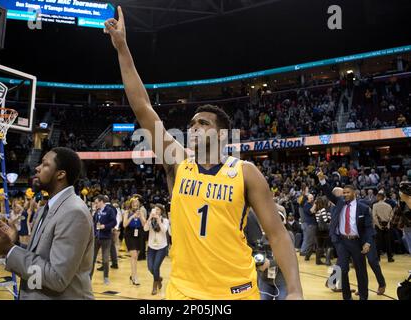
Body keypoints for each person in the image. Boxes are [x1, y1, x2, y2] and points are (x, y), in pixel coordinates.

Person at [105, 7, 303, 300]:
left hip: (236, 291)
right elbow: (142, 107)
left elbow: (276, 234)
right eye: (192, 124)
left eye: (203, 123)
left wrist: (296, 291)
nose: (194, 128)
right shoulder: (178, 161)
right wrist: (122, 48)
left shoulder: (246, 172)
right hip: (184, 292)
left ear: (222, 134)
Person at [0, 147, 95, 300]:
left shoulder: (73, 211)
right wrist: (14, 242)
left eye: (45, 164)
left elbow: (56, 278)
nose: (37, 168)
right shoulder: (46, 208)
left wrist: (9, 250)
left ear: (61, 174)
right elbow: (39, 258)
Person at [318, 170, 375, 300]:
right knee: (342, 270)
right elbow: (327, 192)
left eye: (348, 192)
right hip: (342, 241)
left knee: (361, 271)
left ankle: (363, 296)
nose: (345, 195)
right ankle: (346, 297)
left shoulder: (363, 207)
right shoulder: (339, 203)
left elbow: (368, 227)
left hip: (357, 242)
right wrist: (322, 179)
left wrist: (368, 242)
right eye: (343, 193)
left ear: (354, 193)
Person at [143, 204, 169, 295]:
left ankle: (155, 286)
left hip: (161, 248)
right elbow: (145, 229)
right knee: (150, 268)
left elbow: (164, 230)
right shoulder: (151, 220)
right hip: (151, 247)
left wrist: (159, 220)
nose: (156, 211)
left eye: (158, 210)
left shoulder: (164, 220)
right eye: (155, 209)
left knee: (155, 267)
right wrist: (149, 218)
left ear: (161, 211)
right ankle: (159, 278)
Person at [90, 195, 117, 285]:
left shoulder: (109, 210)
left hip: (106, 238)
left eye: (97, 202)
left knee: (105, 259)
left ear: (102, 202)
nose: (95, 204)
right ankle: (89, 278)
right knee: (92, 259)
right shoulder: (96, 211)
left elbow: (114, 222)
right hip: (97, 237)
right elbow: (94, 222)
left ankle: (106, 277)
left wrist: (105, 226)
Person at [123, 197, 146, 285]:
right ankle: (134, 277)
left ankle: (132, 273)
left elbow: (144, 225)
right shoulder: (127, 212)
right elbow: (125, 224)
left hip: (139, 233)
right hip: (129, 234)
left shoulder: (141, 212)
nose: (136, 204)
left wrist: (140, 216)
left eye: (137, 203)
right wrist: (132, 216)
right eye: (134, 203)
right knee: (134, 255)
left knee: (136, 257)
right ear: (131, 204)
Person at [372, 193, 394, 262]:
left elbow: (374, 216)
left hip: (379, 225)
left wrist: (378, 225)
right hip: (387, 225)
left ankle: (377, 258)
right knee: (388, 242)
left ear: (378, 197)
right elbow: (391, 216)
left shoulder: (375, 205)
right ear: (383, 198)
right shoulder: (388, 205)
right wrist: (387, 224)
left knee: (378, 242)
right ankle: (390, 258)